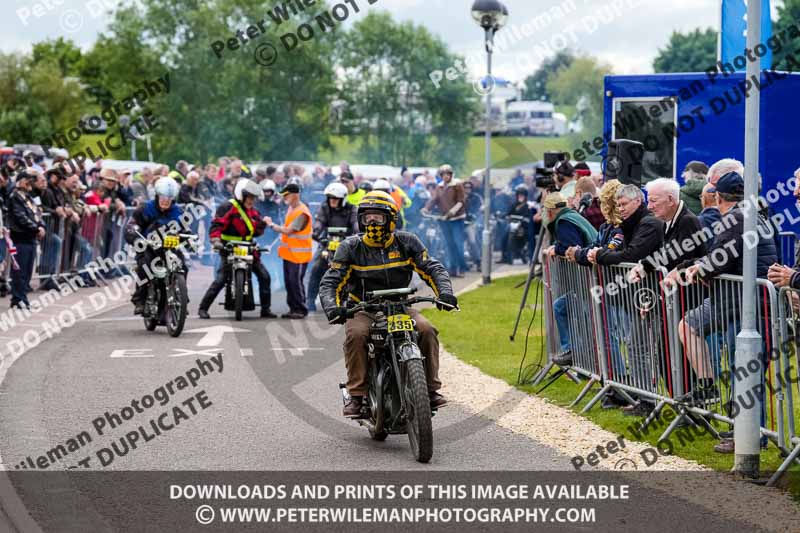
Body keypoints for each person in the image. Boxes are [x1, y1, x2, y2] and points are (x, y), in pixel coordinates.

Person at [319, 190, 458, 416]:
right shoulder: (350, 246)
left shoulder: (407, 241)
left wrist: (445, 293)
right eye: (367, 217)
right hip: (363, 308)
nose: (372, 222)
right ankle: (357, 395)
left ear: (391, 219)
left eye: (378, 217)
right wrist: (333, 308)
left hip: (400, 306)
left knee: (427, 330)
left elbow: (432, 268)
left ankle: (430, 390)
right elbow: (331, 282)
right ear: (361, 220)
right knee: (356, 335)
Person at [670, 172, 776, 406]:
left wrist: (701, 271)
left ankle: (747, 425)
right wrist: (694, 267)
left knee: (745, 374)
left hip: (742, 302)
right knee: (689, 326)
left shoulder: (737, 218)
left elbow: (719, 260)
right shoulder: (750, 215)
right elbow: (719, 255)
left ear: (718, 197)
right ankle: (709, 388)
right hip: (738, 298)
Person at [198, 179, 276, 319]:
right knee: (221, 279)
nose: (252, 200)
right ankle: (203, 308)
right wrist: (216, 241)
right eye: (249, 197)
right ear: (241, 195)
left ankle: (266, 309)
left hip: (248, 248)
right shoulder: (227, 207)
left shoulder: (254, 211)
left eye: (254, 197)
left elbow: (256, 232)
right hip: (228, 247)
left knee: (265, 276)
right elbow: (216, 225)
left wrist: (263, 224)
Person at [544, 191, 599, 365]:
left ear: (550, 211)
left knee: (587, 322)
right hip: (590, 277)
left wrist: (556, 249)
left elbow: (573, 247)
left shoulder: (564, 222)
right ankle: (577, 355)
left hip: (588, 279)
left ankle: (577, 354)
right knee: (561, 307)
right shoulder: (572, 216)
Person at [125, 177, 185, 315]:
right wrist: (135, 238)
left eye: (169, 198)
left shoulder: (179, 212)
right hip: (148, 247)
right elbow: (131, 226)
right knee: (145, 266)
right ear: (157, 195)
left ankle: (181, 297)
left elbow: (186, 230)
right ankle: (140, 299)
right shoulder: (145, 208)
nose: (165, 200)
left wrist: (190, 239)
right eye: (163, 197)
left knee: (182, 265)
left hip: (170, 248)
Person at [306, 182, 358, 312]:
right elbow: (319, 222)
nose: (332, 201)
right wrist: (316, 233)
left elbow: (356, 224)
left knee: (357, 269)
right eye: (330, 198)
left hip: (347, 244)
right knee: (316, 268)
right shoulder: (325, 207)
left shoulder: (352, 209)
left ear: (343, 199)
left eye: (335, 198)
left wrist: (356, 235)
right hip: (327, 243)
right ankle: (310, 300)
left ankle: (356, 299)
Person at [264, 182, 313, 319]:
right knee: (289, 282)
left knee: (295, 282)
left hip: (299, 256)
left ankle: (301, 309)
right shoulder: (292, 208)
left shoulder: (302, 212)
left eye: (287, 195)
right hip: (290, 254)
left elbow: (289, 230)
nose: (284, 197)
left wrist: (271, 225)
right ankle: (293, 309)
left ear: (295, 195)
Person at [8, 171, 45, 309]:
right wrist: (36, 228)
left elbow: (38, 214)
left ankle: (21, 298)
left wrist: (41, 226)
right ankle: (18, 299)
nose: (31, 183)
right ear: (20, 181)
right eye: (28, 180)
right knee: (20, 271)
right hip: (20, 238)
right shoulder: (15, 197)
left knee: (28, 271)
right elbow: (20, 217)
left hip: (30, 238)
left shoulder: (29, 197)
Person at [426, 164, 468, 277]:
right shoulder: (439, 187)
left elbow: (461, 201)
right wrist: (426, 208)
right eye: (443, 174)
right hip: (444, 219)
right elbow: (434, 199)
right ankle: (453, 269)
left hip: (456, 219)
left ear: (451, 174)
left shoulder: (457, 185)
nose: (445, 176)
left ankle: (462, 269)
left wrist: (452, 212)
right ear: (441, 176)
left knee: (458, 244)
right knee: (449, 245)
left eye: (448, 174)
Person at [499, 185, 533, 264]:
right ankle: (504, 257)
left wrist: (524, 220)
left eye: (522, 195)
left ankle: (527, 253)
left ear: (525, 196)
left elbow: (528, 216)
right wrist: (504, 216)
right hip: (512, 225)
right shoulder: (514, 205)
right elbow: (508, 213)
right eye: (519, 195)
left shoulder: (528, 206)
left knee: (529, 237)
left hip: (523, 226)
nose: (520, 197)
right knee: (504, 237)